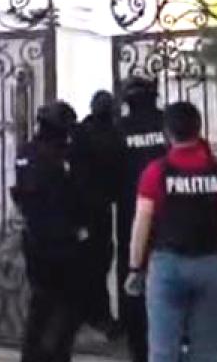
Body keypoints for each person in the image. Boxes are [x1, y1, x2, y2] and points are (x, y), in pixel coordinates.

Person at [124, 101, 217, 362]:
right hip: (213, 266)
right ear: (198, 129)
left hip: (167, 265)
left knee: (163, 351)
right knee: (205, 351)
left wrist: (135, 266)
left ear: (167, 133)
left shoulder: (156, 172)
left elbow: (142, 222)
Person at [11, 101, 88, 362]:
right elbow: (73, 195)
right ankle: (53, 355)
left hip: (34, 238)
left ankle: (33, 354)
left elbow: (22, 193)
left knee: (41, 302)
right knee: (67, 305)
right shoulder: (60, 156)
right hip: (61, 242)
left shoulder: (26, 151)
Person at [114, 77, 167, 362]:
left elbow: (108, 171)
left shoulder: (120, 129)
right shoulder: (166, 123)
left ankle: (138, 342)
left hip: (131, 213)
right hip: (169, 214)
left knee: (134, 274)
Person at [72, 90, 121, 337]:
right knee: (100, 261)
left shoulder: (81, 132)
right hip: (100, 207)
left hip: (83, 207)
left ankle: (87, 313)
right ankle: (99, 315)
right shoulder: (114, 134)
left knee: (89, 262)